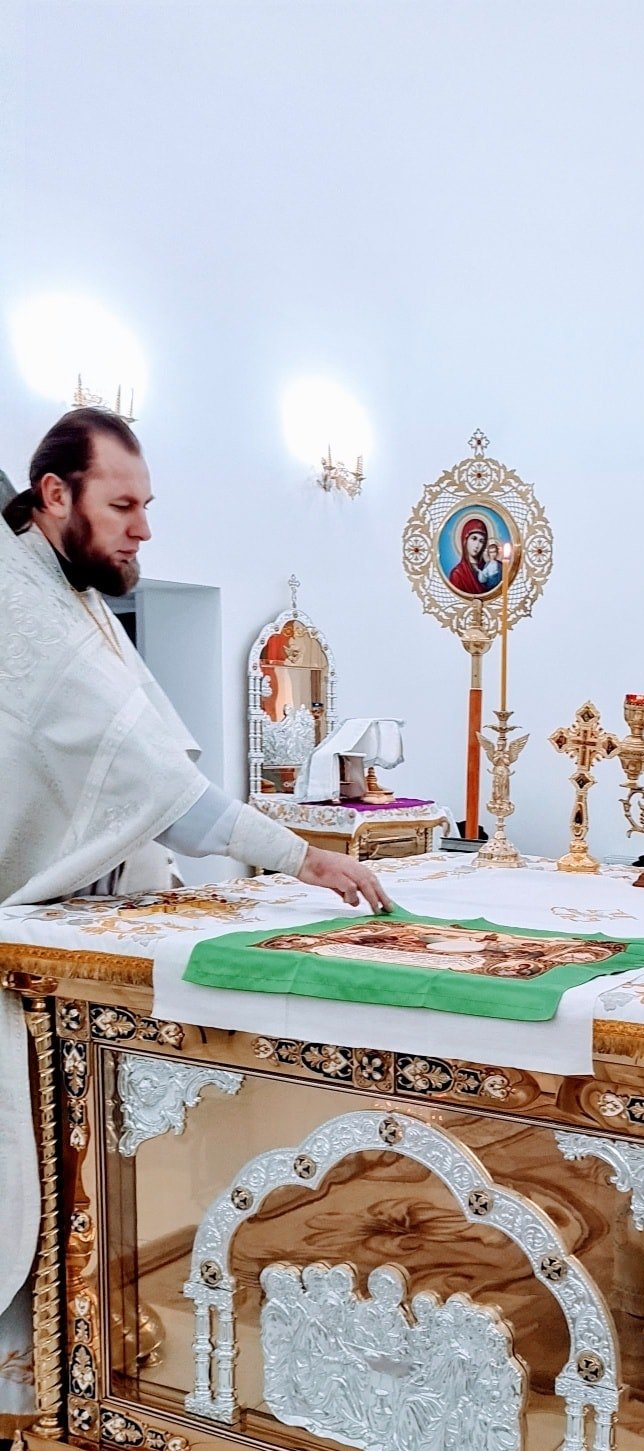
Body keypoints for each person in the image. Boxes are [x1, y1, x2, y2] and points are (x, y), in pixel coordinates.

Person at [0, 408, 389, 1387]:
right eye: (122, 506)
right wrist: (300, 858)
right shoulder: (26, 610)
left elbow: (146, 777)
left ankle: (96, 1322)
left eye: (148, 505)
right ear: (55, 495)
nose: (143, 528)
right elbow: (163, 793)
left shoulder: (63, 591)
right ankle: (50, 1356)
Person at [447, 516, 489, 596]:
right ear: (465, 540)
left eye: (481, 541)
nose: (477, 545)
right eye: (474, 539)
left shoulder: (487, 568)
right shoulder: (458, 574)